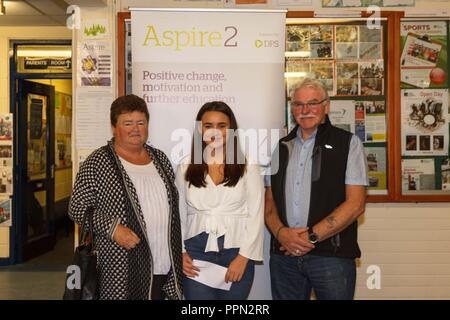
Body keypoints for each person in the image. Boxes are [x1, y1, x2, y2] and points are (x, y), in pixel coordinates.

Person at [68, 94, 183, 300]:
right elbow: (77, 208)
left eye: (141, 122)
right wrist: (114, 230)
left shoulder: (160, 159)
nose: (135, 129)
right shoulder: (98, 161)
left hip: (163, 262)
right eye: (127, 123)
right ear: (114, 127)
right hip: (120, 268)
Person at [265, 78, 368, 300]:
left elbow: (356, 204)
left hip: (331, 257)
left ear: (326, 106)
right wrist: (282, 234)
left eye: (312, 103)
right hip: (285, 256)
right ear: (292, 109)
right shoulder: (280, 148)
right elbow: (269, 202)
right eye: (298, 104)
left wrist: (310, 237)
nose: (305, 110)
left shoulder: (348, 144)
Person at [176, 101, 264, 300]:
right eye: (208, 126)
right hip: (196, 251)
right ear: (200, 129)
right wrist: (180, 252)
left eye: (222, 126)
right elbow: (178, 214)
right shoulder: (186, 166)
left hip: (236, 251)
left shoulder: (248, 165)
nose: (214, 132)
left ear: (231, 129)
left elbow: (256, 213)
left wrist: (244, 257)